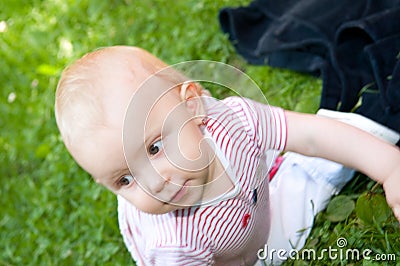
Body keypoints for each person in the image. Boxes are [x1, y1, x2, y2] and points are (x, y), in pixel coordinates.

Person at [54, 45, 400, 265]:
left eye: (155, 148)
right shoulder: (174, 245)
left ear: (193, 105)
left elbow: (307, 135)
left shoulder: (232, 120)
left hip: (255, 201)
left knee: (348, 136)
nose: (153, 184)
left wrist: (389, 167)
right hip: (241, 255)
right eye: (123, 180)